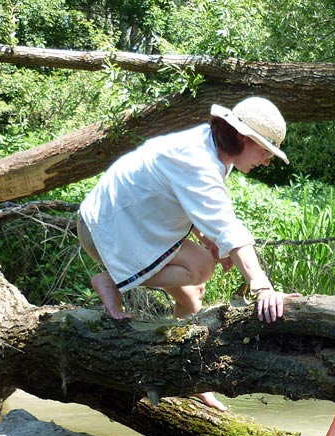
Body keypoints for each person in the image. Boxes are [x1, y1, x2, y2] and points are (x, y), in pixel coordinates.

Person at [76, 97, 296, 411]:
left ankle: (188, 379)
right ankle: (111, 280)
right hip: (104, 230)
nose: (266, 161)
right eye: (265, 151)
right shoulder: (197, 159)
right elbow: (229, 228)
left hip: (129, 227)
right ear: (243, 139)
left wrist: (211, 240)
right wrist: (262, 286)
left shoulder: (213, 152)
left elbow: (190, 206)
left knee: (192, 300)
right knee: (202, 267)